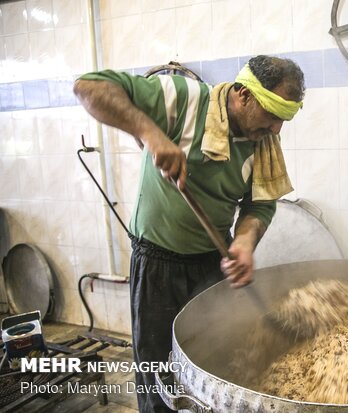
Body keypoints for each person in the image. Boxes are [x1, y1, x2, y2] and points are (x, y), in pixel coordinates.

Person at [73, 55, 305, 412]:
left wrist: (243, 243)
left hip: (213, 262)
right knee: (159, 371)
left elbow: (260, 204)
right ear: (243, 95)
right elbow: (89, 87)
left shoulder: (263, 143)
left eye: (283, 120)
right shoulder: (184, 98)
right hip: (158, 262)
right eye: (272, 115)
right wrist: (151, 134)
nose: (276, 130)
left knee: (214, 361)